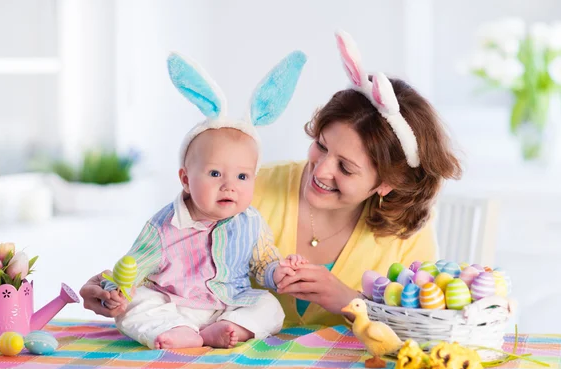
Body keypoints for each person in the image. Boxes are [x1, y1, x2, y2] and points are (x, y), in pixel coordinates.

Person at [81, 31, 461, 330]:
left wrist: (349, 301)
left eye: (346, 168)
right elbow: (173, 251)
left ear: (386, 184)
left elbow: (424, 327)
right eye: (320, 146)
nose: (321, 170)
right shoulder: (247, 189)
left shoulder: (403, 233)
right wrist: (112, 284)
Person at [97, 50, 308, 350]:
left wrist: (278, 272)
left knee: (270, 306)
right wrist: (117, 289)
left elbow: (263, 263)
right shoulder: (164, 226)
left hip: (228, 305)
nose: (229, 186)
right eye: (214, 173)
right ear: (185, 178)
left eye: (242, 177)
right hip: (173, 304)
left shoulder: (250, 222)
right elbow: (135, 266)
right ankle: (177, 332)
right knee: (137, 304)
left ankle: (230, 328)